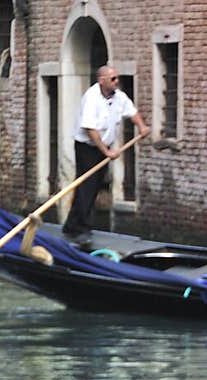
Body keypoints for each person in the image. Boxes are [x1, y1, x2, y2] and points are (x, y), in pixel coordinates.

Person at [62, 65, 149, 248]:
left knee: (94, 186)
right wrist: (106, 151)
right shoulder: (91, 97)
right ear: (102, 80)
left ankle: (71, 226)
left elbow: (132, 112)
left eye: (117, 78)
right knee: (87, 185)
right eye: (113, 79)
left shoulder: (119, 96)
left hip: (104, 146)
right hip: (88, 146)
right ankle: (81, 229)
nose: (116, 81)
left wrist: (141, 126)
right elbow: (90, 129)